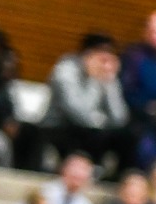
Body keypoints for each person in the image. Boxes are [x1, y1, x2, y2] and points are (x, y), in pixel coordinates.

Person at [41, 35, 131, 173]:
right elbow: (77, 111)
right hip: (58, 126)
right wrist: (93, 80)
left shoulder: (106, 75)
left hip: (90, 128)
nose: (105, 63)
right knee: (90, 133)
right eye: (102, 58)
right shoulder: (65, 69)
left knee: (126, 136)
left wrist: (110, 82)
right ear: (87, 54)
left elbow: (120, 118)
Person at [0, 24, 24, 168]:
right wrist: (2, 121)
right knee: (1, 143)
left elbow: (6, 99)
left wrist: (10, 119)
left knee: (29, 133)